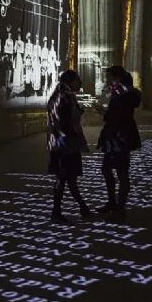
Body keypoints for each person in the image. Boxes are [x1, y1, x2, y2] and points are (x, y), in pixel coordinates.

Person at [47, 70, 92, 222]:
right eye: (78, 80)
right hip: (66, 144)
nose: (80, 83)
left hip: (59, 142)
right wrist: (72, 135)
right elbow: (64, 121)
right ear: (71, 81)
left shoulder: (59, 94)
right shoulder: (66, 97)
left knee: (67, 177)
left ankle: (82, 207)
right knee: (65, 177)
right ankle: (57, 212)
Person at [97, 66, 142, 215]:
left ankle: (118, 204)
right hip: (120, 135)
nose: (107, 80)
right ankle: (116, 203)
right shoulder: (124, 92)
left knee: (118, 171)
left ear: (117, 78)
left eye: (109, 77)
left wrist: (104, 112)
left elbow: (118, 115)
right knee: (115, 170)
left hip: (118, 136)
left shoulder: (121, 92)